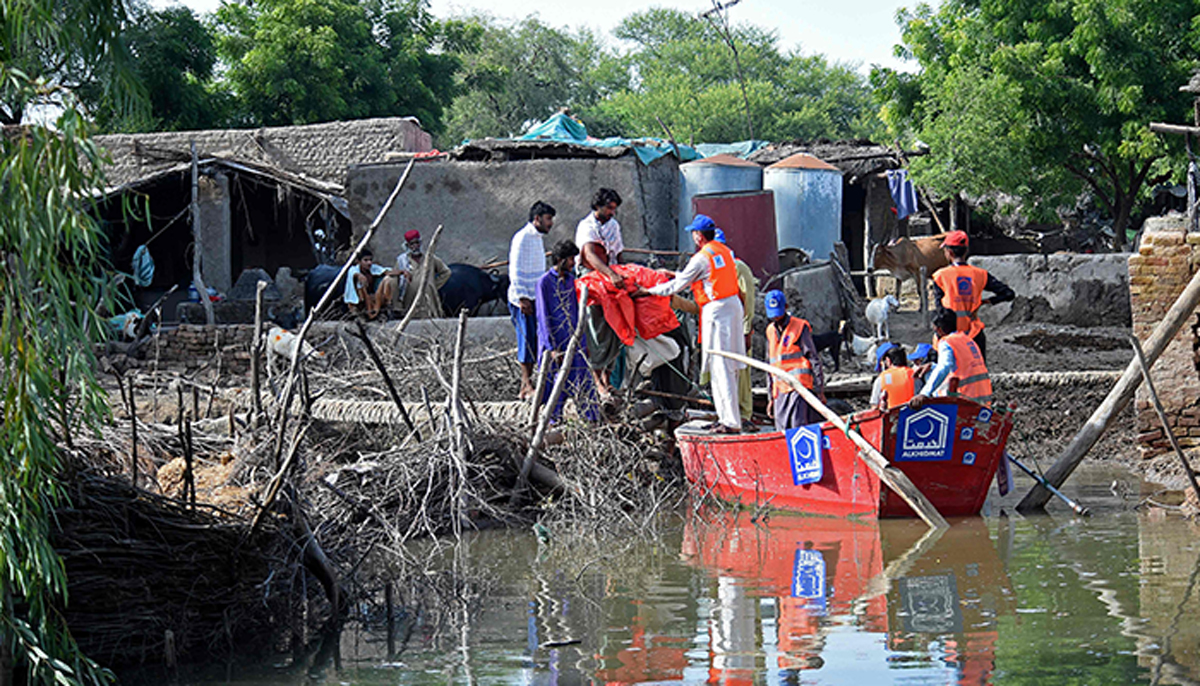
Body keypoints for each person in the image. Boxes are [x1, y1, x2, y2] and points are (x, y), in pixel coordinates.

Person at [638, 215, 745, 433]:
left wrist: (647, 291)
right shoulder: (723, 251)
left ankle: (730, 422)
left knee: (720, 365)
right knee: (729, 365)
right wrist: (676, 274)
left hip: (717, 311)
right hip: (732, 307)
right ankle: (728, 417)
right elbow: (704, 276)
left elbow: (675, 287)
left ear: (698, 236)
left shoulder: (700, 258)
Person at [535, 241, 600, 422]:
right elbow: (542, 317)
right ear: (560, 259)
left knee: (583, 385)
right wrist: (551, 348)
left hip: (574, 343)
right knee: (553, 388)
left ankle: (592, 423)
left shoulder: (572, 281)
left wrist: (584, 343)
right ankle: (551, 424)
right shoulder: (544, 283)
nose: (573, 262)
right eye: (570, 259)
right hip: (555, 345)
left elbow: (578, 314)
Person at [930, 230, 1014, 360]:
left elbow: (940, 310)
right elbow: (1008, 294)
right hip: (974, 334)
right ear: (966, 250)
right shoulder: (981, 274)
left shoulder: (940, 276)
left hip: (950, 335)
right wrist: (988, 301)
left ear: (949, 252)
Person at [702, 228, 756, 423]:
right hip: (721, 328)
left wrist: (746, 330)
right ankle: (727, 414)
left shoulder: (738, 267)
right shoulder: (713, 269)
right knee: (722, 374)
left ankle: (744, 414)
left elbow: (747, 301)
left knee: (740, 374)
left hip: (737, 328)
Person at [575, 188, 625, 396]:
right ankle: (598, 381)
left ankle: (608, 378)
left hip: (611, 278)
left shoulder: (613, 225)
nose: (612, 212)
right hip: (592, 281)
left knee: (616, 328)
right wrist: (609, 274)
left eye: (614, 209)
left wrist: (622, 275)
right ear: (598, 206)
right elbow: (590, 255)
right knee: (596, 330)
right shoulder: (586, 226)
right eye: (609, 208)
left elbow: (618, 253)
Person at [509, 201, 556, 399]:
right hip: (524, 298)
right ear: (537, 219)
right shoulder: (522, 238)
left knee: (537, 340)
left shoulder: (537, 239)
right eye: (548, 219)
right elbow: (515, 269)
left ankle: (532, 386)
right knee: (526, 339)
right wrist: (522, 298)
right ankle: (526, 385)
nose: (550, 223)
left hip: (536, 297)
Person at [762, 289, 825, 431]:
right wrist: (771, 397)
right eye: (773, 315)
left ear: (786, 307)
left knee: (798, 428)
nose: (776, 318)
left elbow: (813, 358)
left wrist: (819, 389)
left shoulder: (799, 327)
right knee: (782, 431)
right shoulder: (770, 331)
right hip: (780, 391)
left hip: (798, 387)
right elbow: (769, 365)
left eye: (779, 314)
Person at [909, 308, 994, 408]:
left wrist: (924, 393)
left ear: (939, 330)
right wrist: (932, 366)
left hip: (965, 398)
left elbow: (944, 367)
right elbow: (961, 367)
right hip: (984, 397)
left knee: (927, 376)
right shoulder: (967, 339)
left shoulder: (947, 342)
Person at [396, 229, 450, 319]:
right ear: (407, 246)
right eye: (411, 244)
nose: (415, 246)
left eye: (416, 243)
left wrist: (432, 285)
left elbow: (446, 272)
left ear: (420, 243)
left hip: (428, 296)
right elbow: (396, 277)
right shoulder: (402, 260)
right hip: (410, 297)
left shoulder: (430, 257)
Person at [344, 249, 399, 320]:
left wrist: (403, 272)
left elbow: (386, 271)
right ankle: (365, 313)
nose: (369, 263)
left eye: (370, 260)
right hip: (360, 299)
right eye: (365, 260)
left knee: (387, 280)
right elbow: (354, 274)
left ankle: (382, 309)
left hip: (373, 297)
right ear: (359, 261)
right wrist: (360, 276)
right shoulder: (353, 269)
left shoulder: (372, 267)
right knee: (362, 288)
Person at [870, 342, 916, 410]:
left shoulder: (881, 379)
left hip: (892, 417)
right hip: (914, 415)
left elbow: (874, 407)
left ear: (887, 361)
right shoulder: (915, 373)